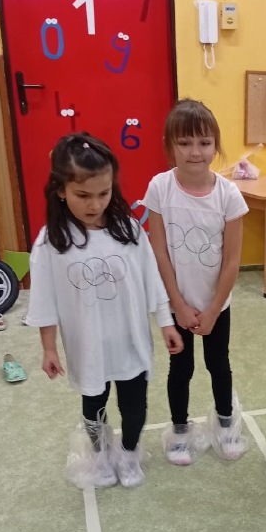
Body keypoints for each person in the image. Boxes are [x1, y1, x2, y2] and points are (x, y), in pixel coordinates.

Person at [26, 133, 182, 489]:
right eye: (83, 195)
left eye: (103, 193)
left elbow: (151, 280)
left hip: (130, 341)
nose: (94, 204)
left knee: (134, 406)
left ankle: (128, 452)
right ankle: (100, 455)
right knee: (93, 405)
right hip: (88, 346)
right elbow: (44, 301)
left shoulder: (128, 230)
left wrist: (166, 323)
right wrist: (48, 348)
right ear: (61, 190)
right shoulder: (51, 242)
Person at [144, 99, 249, 464]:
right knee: (181, 368)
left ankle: (225, 424)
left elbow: (232, 261)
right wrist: (178, 304)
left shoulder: (229, 195)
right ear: (169, 145)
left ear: (215, 145)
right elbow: (159, 252)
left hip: (216, 303)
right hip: (178, 303)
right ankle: (180, 430)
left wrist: (214, 309)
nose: (195, 151)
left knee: (218, 364)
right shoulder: (160, 188)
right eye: (185, 142)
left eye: (204, 142)